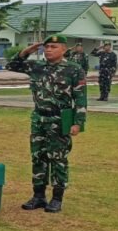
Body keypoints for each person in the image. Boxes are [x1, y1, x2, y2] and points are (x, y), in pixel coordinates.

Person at [6, 35, 86, 213]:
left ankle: (57, 198)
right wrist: (27, 51)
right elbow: (12, 65)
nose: (49, 49)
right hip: (39, 118)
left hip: (59, 119)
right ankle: (38, 196)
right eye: (47, 46)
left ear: (64, 49)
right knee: (38, 157)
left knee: (58, 159)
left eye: (54, 46)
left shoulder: (74, 70)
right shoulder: (37, 66)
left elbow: (80, 98)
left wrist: (78, 123)